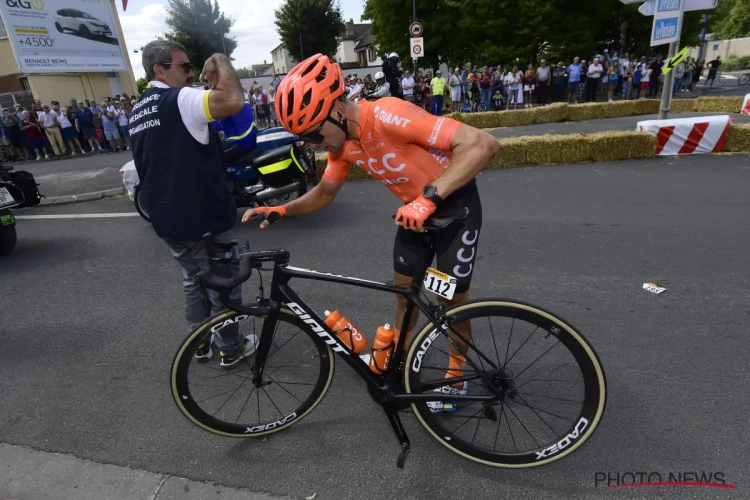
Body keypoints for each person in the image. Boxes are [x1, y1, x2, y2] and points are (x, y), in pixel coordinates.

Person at [243, 54, 500, 400]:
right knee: (403, 297)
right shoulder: (343, 146)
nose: (313, 146)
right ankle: (401, 360)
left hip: (455, 209)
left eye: (313, 135)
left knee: (451, 303)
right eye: (305, 139)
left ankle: (457, 373)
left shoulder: (388, 115)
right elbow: (325, 194)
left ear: (336, 111)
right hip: (414, 215)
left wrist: (427, 199)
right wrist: (280, 209)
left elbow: (483, 144)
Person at [130, 40, 253, 369]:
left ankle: (199, 341)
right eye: (184, 67)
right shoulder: (180, 99)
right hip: (201, 214)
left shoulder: (138, 108)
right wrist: (221, 60)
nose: (189, 73)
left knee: (193, 277)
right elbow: (232, 100)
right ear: (159, 69)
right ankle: (231, 346)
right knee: (222, 279)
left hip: (167, 217)